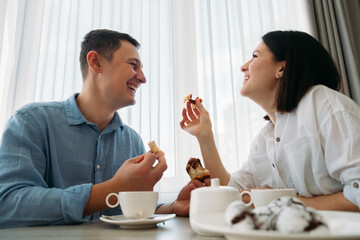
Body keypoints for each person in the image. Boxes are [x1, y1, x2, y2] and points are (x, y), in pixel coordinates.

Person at [0, 29, 209, 229]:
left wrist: (171, 207)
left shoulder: (132, 140)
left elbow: (130, 210)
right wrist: (113, 189)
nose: (143, 78)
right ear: (96, 62)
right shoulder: (31, 122)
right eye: (133, 65)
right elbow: (7, 205)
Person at [180, 30, 360, 211]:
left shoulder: (324, 104)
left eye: (255, 56)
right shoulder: (264, 139)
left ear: (281, 68)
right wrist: (205, 136)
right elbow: (235, 192)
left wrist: (285, 202)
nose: (244, 67)